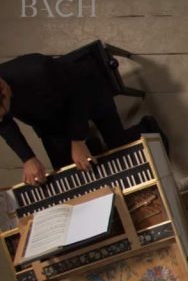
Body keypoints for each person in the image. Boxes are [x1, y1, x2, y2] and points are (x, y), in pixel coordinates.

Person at [0, 53, 162, 186]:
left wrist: (77, 140)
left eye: (3, 111)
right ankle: (93, 147)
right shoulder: (3, 104)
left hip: (86, 91)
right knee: (69, 171)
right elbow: (4, 125)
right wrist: (28, 159)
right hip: (48, 119)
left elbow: (77, 95)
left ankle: (146, 127)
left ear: (4, 89)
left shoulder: (38, 69)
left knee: (119, 146)